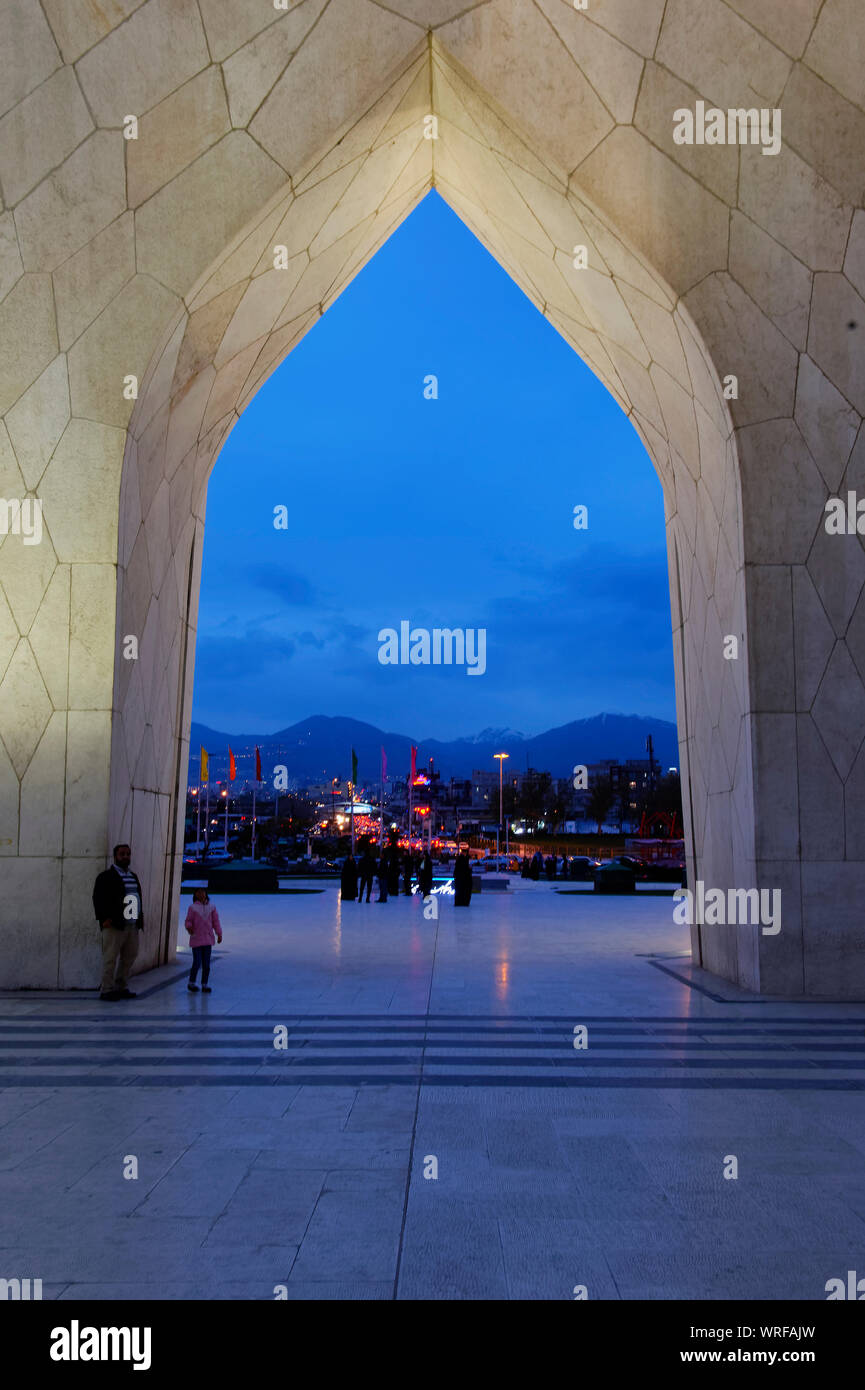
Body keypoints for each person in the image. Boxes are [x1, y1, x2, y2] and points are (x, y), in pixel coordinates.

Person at [92, 843, 144, 1001]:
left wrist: (138, 920)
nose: (126, 857)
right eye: (122, 854)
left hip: (131, 924)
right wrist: (103, 919)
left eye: (128, 854)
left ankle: (121, 986)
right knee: (110, 958)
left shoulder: (133, 876)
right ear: (115, 856)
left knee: (130, 956)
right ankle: (106, 989)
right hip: (115, 925)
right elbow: (98, 898)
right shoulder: (106, 876)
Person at [184, 888, 222, 993]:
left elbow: (216, 921)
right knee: (197, 962)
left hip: (208, 940)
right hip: (196, 939)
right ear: (195, 894)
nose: (201, 894)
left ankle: (204, 984)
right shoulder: (192, 908)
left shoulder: (212, 907)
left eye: (203, 892)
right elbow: (188, 921)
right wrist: (189, 927)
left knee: (206, 964)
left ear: (206, 893)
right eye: (198, 892)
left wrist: (219, 933)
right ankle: (191, 983)